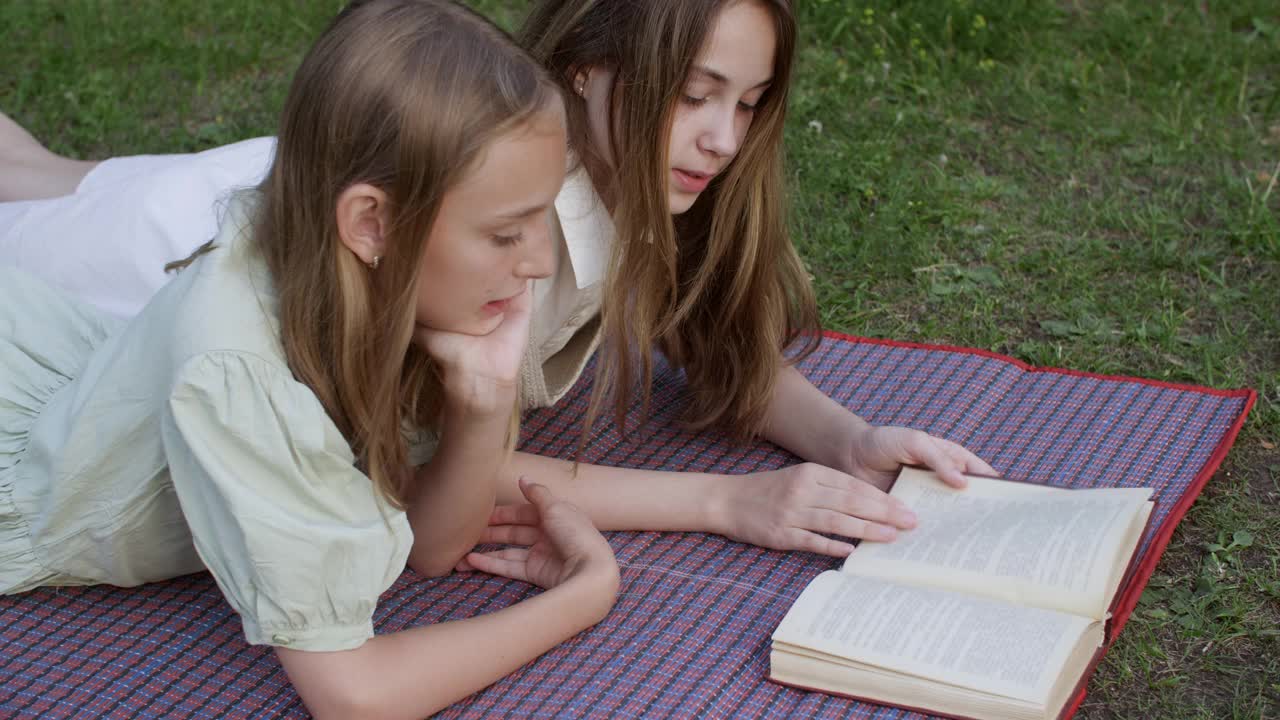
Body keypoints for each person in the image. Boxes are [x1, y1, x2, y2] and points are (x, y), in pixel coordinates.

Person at [0, 0, 996, 562]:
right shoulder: (512, 235)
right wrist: (726, 504)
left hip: (290, 184)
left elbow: (700, 333)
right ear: (586, 70)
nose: (722, 138)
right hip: (160, 259)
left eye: (747, 102)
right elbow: (432, 463)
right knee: (39, 206)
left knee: (42, 174)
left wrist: (848, 439)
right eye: (694, 95)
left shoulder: (648, 178)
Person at [0, 2, 619, 718]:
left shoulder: (377, 282)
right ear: (369, 223)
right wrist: (583, 597)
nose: (541, 262)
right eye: (508, 234)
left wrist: (483, 402)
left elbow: (432, 547)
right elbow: (355, 696)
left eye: (540, 218)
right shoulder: (236, 373)